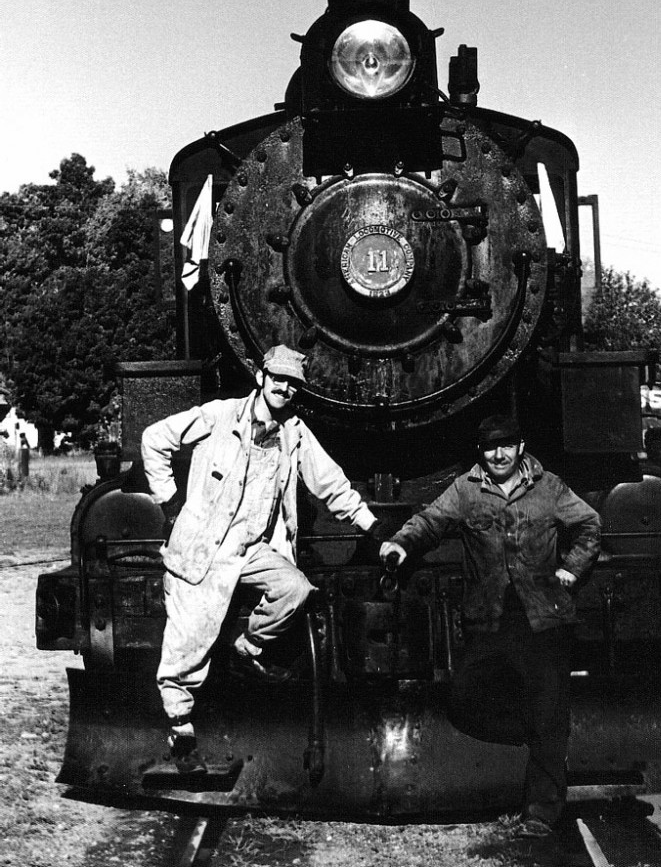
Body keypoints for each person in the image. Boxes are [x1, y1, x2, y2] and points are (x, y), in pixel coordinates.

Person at [142, 344, 377, 773]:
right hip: (200, 550)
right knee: (185, 649)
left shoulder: (295, 434)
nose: (284, 388)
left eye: (292, 383)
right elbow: (154, 439)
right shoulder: (218, 416)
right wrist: (170, 502)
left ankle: (245, 647)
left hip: (251, 550)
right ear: (261, 376)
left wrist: (371, 526)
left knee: (296, 588)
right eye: (278, 378)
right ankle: (181, 733)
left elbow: (331, 484)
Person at [380, 414, 601, 838]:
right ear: (480, 452)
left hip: (543, 615)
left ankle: (541, 811)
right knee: (463, 699)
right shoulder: (467, 489)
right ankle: (539, 742)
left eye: (506, 445)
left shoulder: (549, 487)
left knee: (550, 708)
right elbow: (431, 521)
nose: (498, 454)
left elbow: (590, 523)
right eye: (489, 447)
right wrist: (402, 543)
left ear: (520, 447)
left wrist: (572, 568)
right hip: (489, 615)